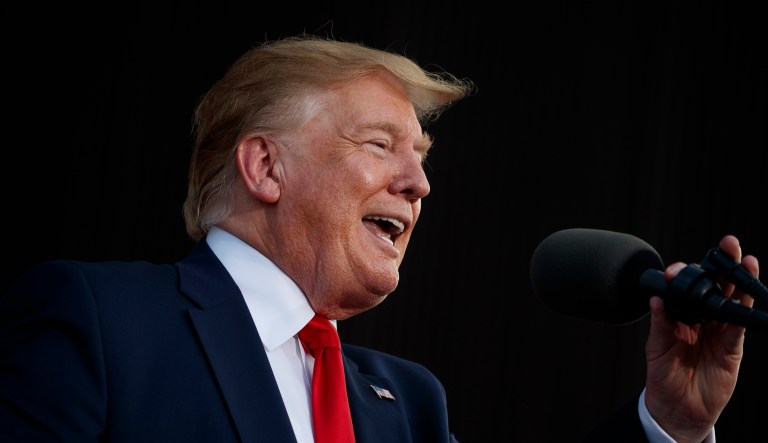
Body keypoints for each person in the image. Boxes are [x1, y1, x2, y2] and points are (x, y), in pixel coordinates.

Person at [0, 34, 759, 443]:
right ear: (265, 164)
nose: (418, 185)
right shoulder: (100, 321)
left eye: (421, 161)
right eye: (377, 145)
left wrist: (670, 423)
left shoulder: (406, 404)